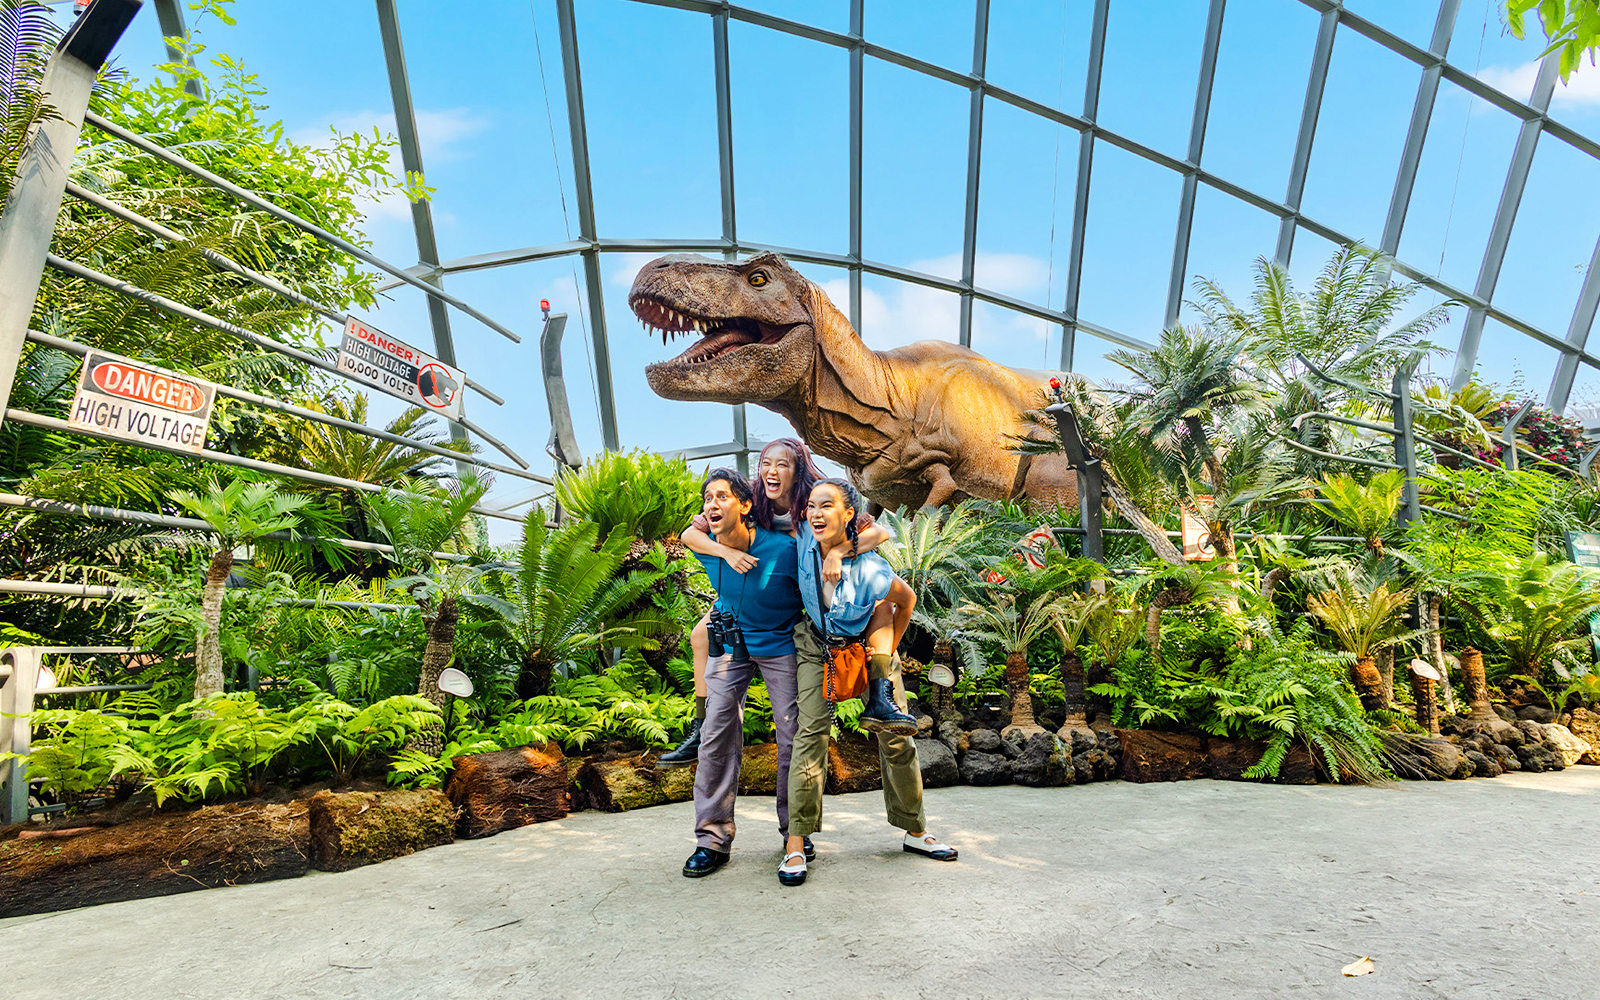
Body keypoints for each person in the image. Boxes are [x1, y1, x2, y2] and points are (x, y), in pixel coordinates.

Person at [660, 439, 888, 768]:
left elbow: (877, 533)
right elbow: (691, 535)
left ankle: (875, 696)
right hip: (766, 584)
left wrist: (839, 551)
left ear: (798, 471)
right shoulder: (751, 498)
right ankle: (700, 727)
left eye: (782, 464)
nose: (772, 470)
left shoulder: (817, 498)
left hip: (817, 588)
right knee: (700, 635)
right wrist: (727, 551)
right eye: (766, 463)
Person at [780, 477, 958, 887]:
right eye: (811, 506)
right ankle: (795, 842)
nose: (816, 513)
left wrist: (885, 657)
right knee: (811, 735)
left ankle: (916, 830)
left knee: (897, 736)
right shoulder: (805, 539)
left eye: (827, 506)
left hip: (868, 645)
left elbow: (905, 601)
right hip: (816, 645)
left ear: (849, 516)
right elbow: (880, 529)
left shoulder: (872, 568)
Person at [682, 468, 805, 879]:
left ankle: (796, 833)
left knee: (791, 736)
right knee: (715, 733)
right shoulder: (708, 546)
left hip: (780, 645)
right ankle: (711, 841)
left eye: (721, 496)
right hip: (733, 645)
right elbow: (687, 535)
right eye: (706, 498)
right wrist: (725, 553)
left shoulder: (782, 549)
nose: (711, 505)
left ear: (746, 504)